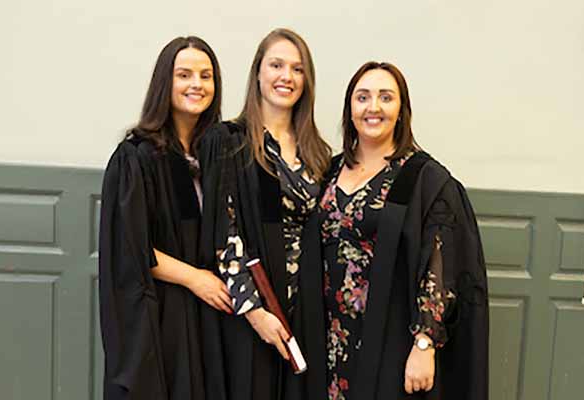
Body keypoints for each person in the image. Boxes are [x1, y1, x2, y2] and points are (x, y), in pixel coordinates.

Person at [316, 61, 489, 399]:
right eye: (362, 97)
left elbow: (440, 267)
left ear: (401, 110)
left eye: (386, 97)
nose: (373, 107)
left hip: (390, 337)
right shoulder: (330, 170)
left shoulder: (424, 178)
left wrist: (424, 342)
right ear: (350, 109)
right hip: (329, 338)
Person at [198, 28, 331, 400]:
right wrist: (255, 312)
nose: (286, 76)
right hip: (252, 309)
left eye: (297, 69)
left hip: (306, 309)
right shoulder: (228, 141)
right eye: (276, 65)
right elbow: (224, 233)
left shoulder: (317, 152)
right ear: (258, 72)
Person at [98, 36, 231, 400]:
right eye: (184, 75)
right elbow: (131, 248)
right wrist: (195, 279)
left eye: (206, 76)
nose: (196, 84)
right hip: (163, 313)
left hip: (209, 313)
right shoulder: (137, 156)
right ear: (164, 83)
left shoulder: (216, 154)